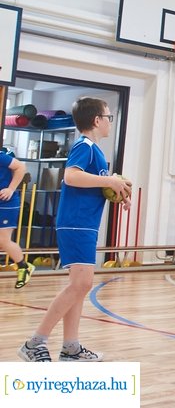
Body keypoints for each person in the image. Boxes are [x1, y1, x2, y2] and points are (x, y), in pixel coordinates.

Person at [18, 97, 131, 362]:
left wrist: (119, 190)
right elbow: (71, 176)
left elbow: (100, 185)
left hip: (84, 224)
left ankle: (71, 347)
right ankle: (35, 342)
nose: (109, 122)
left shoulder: (96, 152)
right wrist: (108, 180)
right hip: (76, 223)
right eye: (108, 117)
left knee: (79, 286)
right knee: (82, 283)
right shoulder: (85, 146)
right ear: (97, 120)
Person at [1, 148, 33, 288]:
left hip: (6, 204)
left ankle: (24, 267)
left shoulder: (2, 157)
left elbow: (21, 167)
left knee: (3, 240)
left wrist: (11, 189)